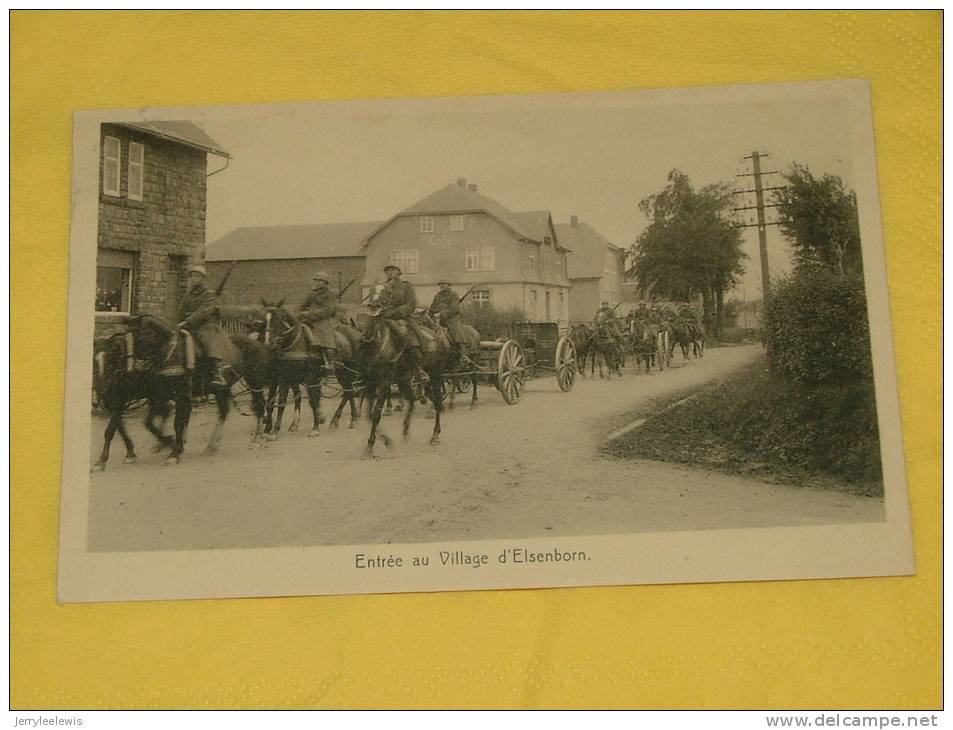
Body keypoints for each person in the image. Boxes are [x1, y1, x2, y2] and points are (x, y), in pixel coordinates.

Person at [175, 264, 229, 386]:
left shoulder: (208, 294)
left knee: (207, 339)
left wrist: (187, 321)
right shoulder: (188, 295)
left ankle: (217, 371)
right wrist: (178, 322)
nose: (194, 279)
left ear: (203, 279)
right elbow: (181, 310)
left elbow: (204, 311)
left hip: (204, 325)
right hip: (187, 326)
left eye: (197, 276)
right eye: (192, 276)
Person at [378, 264, 425, 367]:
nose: (390, 272)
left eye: (392, 270)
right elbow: (380, 301)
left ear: (398, 272)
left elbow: (411, 303)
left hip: (402, 316)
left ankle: (418, 363)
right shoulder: (383, 286)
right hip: (385, 315)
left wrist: (398, 311)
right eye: (387, 271)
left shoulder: (406, 285)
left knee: (415, 335)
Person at [298, 270, 339, 367]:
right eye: (315, 280)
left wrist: (309, 313)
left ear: (325, 283)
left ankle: (330, 365)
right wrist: (297, 312)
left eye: (319, 280)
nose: (316, 282)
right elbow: (303, 305)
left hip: (322, 321)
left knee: (327, 342)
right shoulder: (311, 293)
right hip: (308, 320)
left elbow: (328, 310)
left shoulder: (329, 294)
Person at [428, 279, 466, 353]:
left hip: (450, 319)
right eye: (440, 284)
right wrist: (428, 314)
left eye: (444, 284)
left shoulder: (453, 295)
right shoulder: (437, 296)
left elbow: (454, 309)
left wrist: (441, 314)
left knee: (455, 332)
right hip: (437, 320)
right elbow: (432, 307)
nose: (442, 285)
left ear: (448, 285)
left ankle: (462, 351)